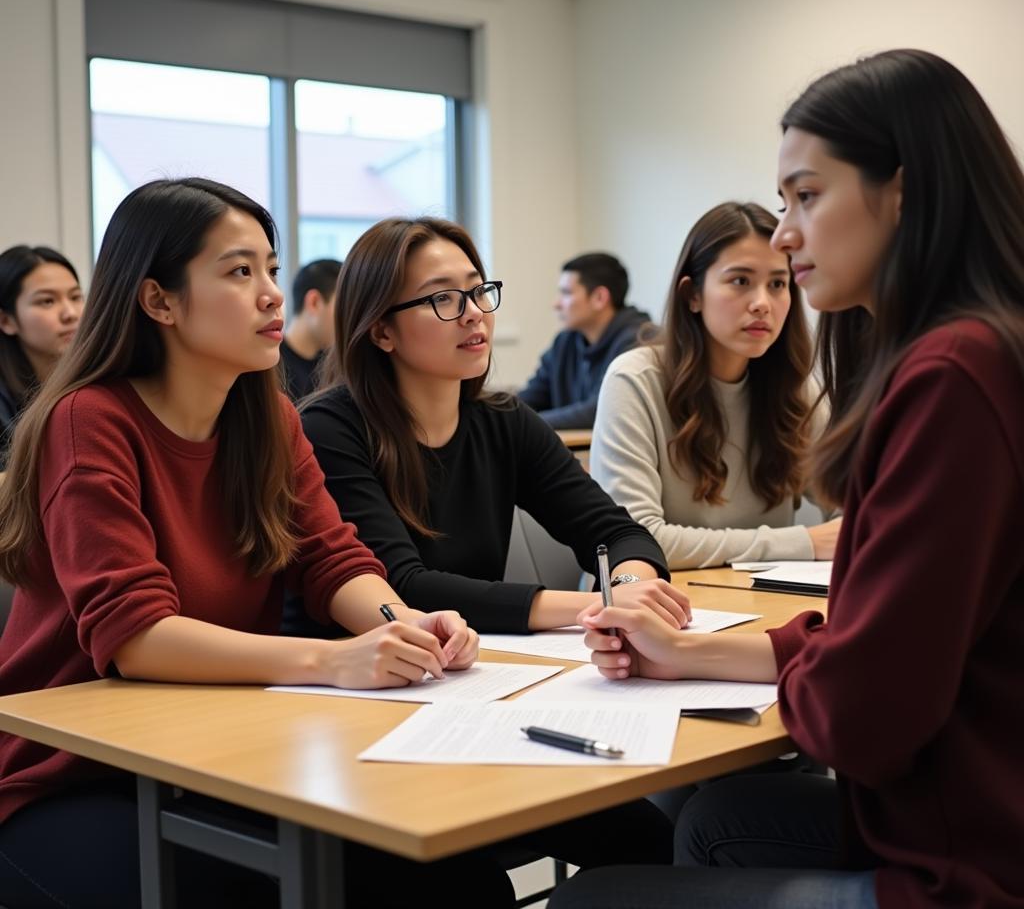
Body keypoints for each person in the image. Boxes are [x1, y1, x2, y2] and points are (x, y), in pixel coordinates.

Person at [550, 49, 1024, 909]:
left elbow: (868, 711)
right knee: (716, 822)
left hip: (972, 862)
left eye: (808, 197)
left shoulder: (951, 374)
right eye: (781, 209)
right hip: (970, 810)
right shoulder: (979, 350)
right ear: (694, 296)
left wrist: (792, 672)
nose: (785, 237)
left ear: (905, 194)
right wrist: (691, 654)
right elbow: (882, 646)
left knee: (594, 899)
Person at [0, 179, 477, 909]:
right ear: (158, 300)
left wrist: (398, 624)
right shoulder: (88, 419)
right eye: (238, 271)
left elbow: (332, 557)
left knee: (443, 880)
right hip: (72, 771)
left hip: (216, 750)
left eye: (272, 270)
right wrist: (333, 661)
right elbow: (138, 637)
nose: (271, 295)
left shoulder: (271, 417)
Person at [294, 215, 691, 876]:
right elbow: (405, 585)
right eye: (444, 298)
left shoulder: (502, 420)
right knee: (470, 883)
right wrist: (586, 611)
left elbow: (617, 530)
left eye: (479, 292)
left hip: (471, 696)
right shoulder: (330, 427)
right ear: (381, 329)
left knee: (647, 842)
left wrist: (629, 586)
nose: (473, 314)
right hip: (360, 714)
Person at [590, 202, 840, 568]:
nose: (761, 304)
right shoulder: (635, 380)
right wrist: (802, 542)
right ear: (692, 295)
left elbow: (856, 508)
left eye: (777, 284)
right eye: (740, 281)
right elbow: (635, 538)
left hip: (760, 605)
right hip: (653, 607)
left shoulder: (795, 390)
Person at [519, 252, 650, 429]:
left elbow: (603, 410)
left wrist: (524, 423)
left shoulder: (639, 341)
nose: (556, 304)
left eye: (566, 293)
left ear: (599, 298)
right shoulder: (565, 341)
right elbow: (533, 396)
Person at [0, 245, 83, 458]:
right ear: (6, 321)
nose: (70, 314)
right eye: (47, 301)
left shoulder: (96, 379)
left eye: (75, 297)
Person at [280, 257, 342, 401]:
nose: (348, 319)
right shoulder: (270, 366)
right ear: (314, 302)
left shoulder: (333, 366)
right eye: (343, 306)